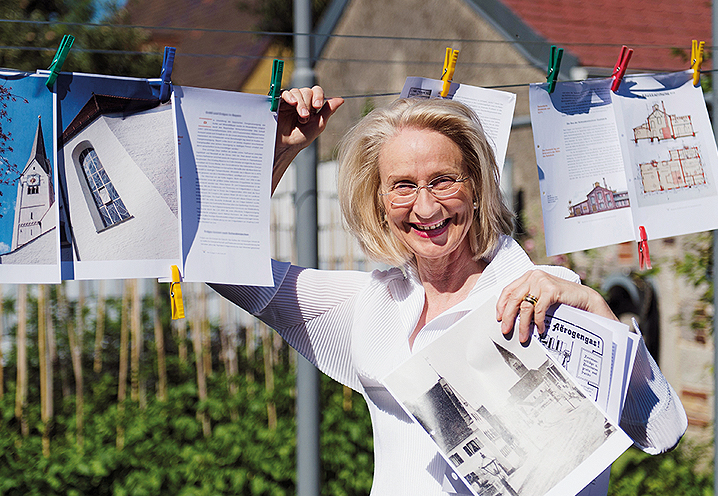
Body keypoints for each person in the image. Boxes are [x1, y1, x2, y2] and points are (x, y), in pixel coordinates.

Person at [211, 86, 688, 496]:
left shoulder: (545, 296)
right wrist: (279, 151)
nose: (424, 206)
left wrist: (599, 310)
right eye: (402, 186)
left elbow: (663, 430)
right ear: (379, 204)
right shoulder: (366, 305)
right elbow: (219, 263)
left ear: (476, 186)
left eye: (443, 180)